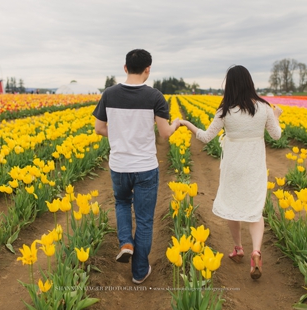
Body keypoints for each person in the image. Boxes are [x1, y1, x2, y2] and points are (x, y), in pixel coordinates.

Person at [179, 65, 283, 280]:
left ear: (230, 85)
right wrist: (276, 115)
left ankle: (238, 248)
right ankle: (256, 251)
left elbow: (206, 137)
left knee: (232, 205)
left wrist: (186, 123)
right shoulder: (263, 108)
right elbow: (276, 136)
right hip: (254, 164)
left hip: (233, 165)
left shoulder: (225, 110)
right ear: (250, 83)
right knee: (255, 209)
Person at [93, 49, 182, 285]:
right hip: (145, 167)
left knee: (122, 202)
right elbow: (164, 134)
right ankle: (139, 271)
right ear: (148, 70)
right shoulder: (155, 97)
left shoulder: (109, 94)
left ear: (125, 68)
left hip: (119, 164)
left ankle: (126, 242)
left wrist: (121, 133)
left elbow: (99, 129)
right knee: (144, 219)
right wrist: (176, 124)